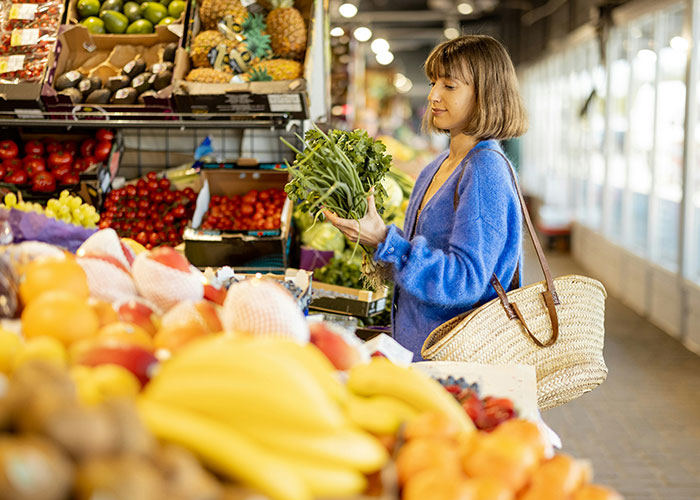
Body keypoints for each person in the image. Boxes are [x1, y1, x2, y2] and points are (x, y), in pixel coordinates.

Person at [324, 34, 528, 360]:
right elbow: (422, 259)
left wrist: (387, 241)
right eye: (434, 82)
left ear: (486, 93)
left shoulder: (485, 169)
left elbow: (464, 281)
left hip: (456, 361)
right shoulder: (438, 166)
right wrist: (375, 240)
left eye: (450, 86)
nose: (433, 95)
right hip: (419, 351)